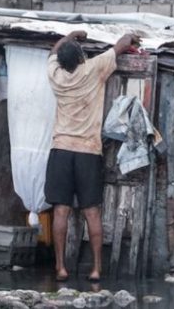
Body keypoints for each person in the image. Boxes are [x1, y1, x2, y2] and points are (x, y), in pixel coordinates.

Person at [45, 30, 141, 282]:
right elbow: (121, 45)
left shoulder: (56, 76)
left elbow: (53, 52)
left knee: (61, 211)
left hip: (61, 149)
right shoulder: (92, 69)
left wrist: (69, 35)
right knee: (92, 212)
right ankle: (96, 269)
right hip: (88, 151)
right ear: (80, 58)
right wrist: (130, 36)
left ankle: (60, 268)